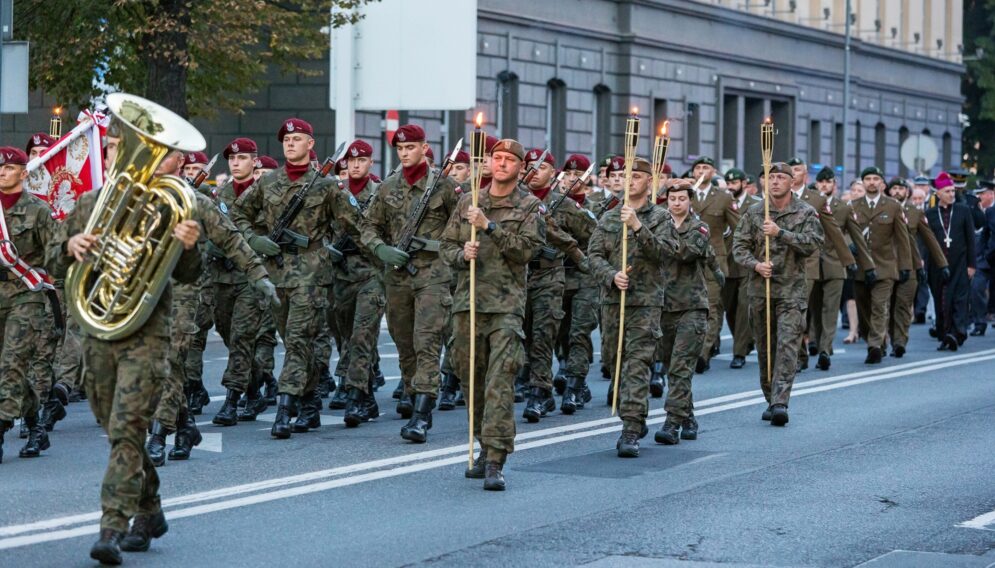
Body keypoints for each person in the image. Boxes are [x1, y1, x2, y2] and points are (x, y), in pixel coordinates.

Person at [60, 148, 204, 563]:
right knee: (116, 428)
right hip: (100, 331)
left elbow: (190, 273)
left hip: (147, 334)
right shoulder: (92, 203)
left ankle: (112, 526)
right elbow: (53, 258)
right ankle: (150, 508)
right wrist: (71, 244)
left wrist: (190, 247)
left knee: (126, 427)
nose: (167, 162)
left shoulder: (177, 207)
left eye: (172, 156)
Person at [231, 118, 361, 439]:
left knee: (300, 339)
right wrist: (254, 238)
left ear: (310, 145)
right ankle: (310, 400)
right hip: (277, 272)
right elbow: (238, 213)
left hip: (312, 272)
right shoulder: (268, 182)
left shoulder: (327, 185)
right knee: (293, 341)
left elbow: (356, 223)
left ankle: (285, 408)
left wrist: (335, 249)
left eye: (298, 138)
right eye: (287, 139)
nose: (290, 143)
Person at [440, 138, 544, 490]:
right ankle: (484, 446)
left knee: (500, 383)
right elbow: (445, 246)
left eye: (507, 160)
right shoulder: (470, 200)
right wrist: (461, 254)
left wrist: (489, 227)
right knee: (473, 380)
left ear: (519, 167)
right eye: (495, 158)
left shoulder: (529, 206)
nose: (500, 164)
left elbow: (527, 251)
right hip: (468, 304)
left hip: (505, 307)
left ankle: (497, 459)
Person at [359, 124, 460, 443]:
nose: (405, 153)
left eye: (411, 148)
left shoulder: (445, 186)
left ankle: (422, 414)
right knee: (404, 344)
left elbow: (461, 227)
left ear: (424, 147)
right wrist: (380, 248)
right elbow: (368, 227)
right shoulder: (388, 187)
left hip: (434, 274)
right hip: (398, 276)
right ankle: (414, 392)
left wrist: (439, 247)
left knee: (426, 341)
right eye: (400, 149)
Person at [589, 157, 686, 457]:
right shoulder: (608, 217)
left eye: (637, 176)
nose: (629, 181)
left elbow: (667, 253)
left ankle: (631, 427)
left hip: (645, 302)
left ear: (648, 182)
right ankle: (633, 414)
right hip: (612, 301)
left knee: (637, 363)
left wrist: (637, 226)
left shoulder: (660, 217)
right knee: (612, 361)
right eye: (626, 176)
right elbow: (593, 256)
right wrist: (610, 275)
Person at [732, 162, 824, 426]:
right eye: (770, 178)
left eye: (781, 177)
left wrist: (780, 233)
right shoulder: (754, 212)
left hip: (791, 290)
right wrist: (756, 264)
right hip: (761, 290)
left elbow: (814, 243)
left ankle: (780, 401)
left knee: (787, 346)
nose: (774, 182)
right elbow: (739, 248)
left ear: (792, 182)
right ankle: (770, 395)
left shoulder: (805, 212)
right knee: (765, 347)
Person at [520, 149, 590, 422]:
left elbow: (592, 236)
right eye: (529, 166)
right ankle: (537, 387)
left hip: (550, 277)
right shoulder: (516, 199)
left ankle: (540, 392)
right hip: (518, 277)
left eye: (541, 167)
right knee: (523, 335)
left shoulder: (564, 204)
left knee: (543, 335)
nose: (533, 171)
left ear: (553, 173)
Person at [0, 147, 58, 463]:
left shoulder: (38, 211)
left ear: (23, 173)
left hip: (27, 294)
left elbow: (57, 255)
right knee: (11, 369)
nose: (1, 173)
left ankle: (1, 425)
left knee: (12, 361)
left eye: (8, 168)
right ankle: (36, 425)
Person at [331, 139, 386, 427]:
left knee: (362, 336)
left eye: (361, 160)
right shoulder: (334, 192)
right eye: (350, 161)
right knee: (345, 338)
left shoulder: (380, 192)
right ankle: (367, 397)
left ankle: (354, 397)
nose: (355, 164)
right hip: (340, 272)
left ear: (370, 163)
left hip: (372, 272)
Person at [653, 181, 712, 444]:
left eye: (681, 199)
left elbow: (686, 251)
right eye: (672, 199)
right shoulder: (658, 224)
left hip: (692, 306)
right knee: (671, 367)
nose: (676, 203)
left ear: (690, 201)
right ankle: (688, 417)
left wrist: (649, 236)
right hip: (663, 306)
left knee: (680, 367)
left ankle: (672, 422)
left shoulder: (699, 227)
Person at [808, 166, 874, 370]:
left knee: (830, 309)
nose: (825, 185)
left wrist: (867, 265)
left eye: (829, 182)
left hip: (835, 265)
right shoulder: (807, 204)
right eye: (821, 182)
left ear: (834, 185)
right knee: (815, 310)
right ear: (817, 184)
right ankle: (819, 344)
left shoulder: (843, 208)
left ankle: (825, 350)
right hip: (810, 264)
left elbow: (857, 238)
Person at [849, 167, 913, 364]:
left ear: (881, 183)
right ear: (863, 182)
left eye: (875, 178)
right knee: (864, 308)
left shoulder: (893, 206)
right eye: (867, 178)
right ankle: (876, 339)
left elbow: (903, 239)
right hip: (860, 267)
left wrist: (905, 266)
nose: (871, 182)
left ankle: (874, 346)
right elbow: (842, 231)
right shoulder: (852, 205)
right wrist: (848, 250)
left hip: (885, 266)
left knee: (880, 306)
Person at [556, 154, 600, 413]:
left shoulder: (596, 205)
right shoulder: (554, 203)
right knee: (560, 331)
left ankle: (574, 385)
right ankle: (568, 370)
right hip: (558, 276)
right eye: (569, 173)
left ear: (587, 178)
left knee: (579, 332)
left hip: (585, 276)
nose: (573, 178)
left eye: (578, 174)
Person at [688, 157, 739, 373]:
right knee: (689, 309)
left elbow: (739, 227)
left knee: (711, 307)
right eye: (698, 168)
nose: (701, 171)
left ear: (714, 171)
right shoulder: (684, 195)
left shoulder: (724, 198)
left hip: (714, 260)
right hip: (687, 260)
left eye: (705, 168)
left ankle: (703, 352)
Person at [886, 177, 947, 357]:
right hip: (886, 265)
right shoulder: (882, 209)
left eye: (901, 188)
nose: (897, 191)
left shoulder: (915, 212)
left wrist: (942, 263)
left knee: (903, 306)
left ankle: (899, 342)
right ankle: (883, 340)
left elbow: (930, 239)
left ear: (907, 192)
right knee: (885, 307)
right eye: (894, 188)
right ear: (889, 191)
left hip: (910, 265)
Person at [926, 172, 975, 350]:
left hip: (960, 264)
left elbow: (970, 239)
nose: (951, 194)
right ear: (938, 193)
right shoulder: (930, 213)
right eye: (947, 191)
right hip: (937, 266)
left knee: (959, 300)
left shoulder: (963, 210)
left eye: (953, 191)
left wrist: (972, 265)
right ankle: (945, 334)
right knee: (941, 301)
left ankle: (957, 333)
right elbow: (925, 241)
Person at [721, 168, 760, 369]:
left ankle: (739, 352)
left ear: (744, 183)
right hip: (726, 264)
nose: (730, 186)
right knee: (730, 309)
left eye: (734, 183)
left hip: (746, 263)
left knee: (745, 308)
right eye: (728, 183)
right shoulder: (722, 202)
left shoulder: (756, 204)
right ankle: (746, 341)